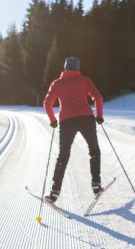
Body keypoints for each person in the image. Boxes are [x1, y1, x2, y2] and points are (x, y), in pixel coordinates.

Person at [43, 56, 105, 203]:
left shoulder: (57, 83)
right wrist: (99, 115)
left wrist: (52, 120)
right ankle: (96, 184)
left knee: (63, 156)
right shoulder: (85, 81)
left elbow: (47, 103)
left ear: (65, 68)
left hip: (67, 121)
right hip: (86, 119)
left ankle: (54, 192)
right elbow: (98, 97)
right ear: (78, 68)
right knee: (94, 150)